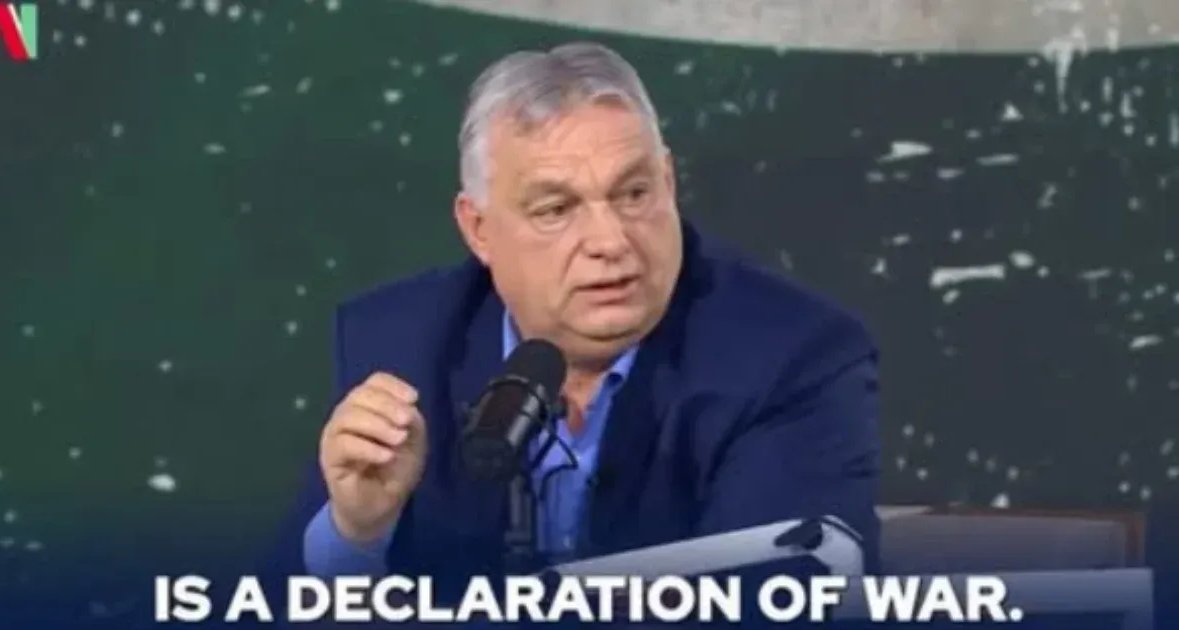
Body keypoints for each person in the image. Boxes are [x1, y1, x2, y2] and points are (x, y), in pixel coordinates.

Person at [277, 41, 880, 597]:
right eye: (556, 209)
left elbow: (774, 598)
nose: (610, 241)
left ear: (669, 182)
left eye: (634, 194)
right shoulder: (400, 347)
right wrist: (356, 535)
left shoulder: (792, 360)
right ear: (479, 230)